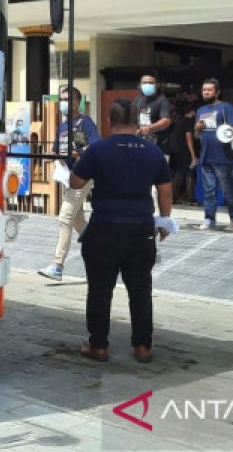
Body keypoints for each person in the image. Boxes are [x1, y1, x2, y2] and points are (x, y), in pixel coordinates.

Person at [70, 98, 173, 364]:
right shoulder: (153, 153)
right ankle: (142, 347)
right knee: (140, 290)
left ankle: (99, 346)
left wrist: (83, 164)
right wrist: (164, 221)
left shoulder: (97, 150)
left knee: (100, 290)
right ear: (137, 121)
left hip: (104, 226)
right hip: (141, 228)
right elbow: (165, 190)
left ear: (110, 121)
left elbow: (75, 181)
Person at [38, 86, 101, 280]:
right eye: (62, 100)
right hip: (67, 176)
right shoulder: (62, 126)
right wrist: (52, 156)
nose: (63, 103)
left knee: (64, 217)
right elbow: (58, 149)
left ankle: (57, 266)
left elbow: (96, 144)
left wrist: (78, 153)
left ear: (76, 102)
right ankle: (101, 247)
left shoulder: (85, 122)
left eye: (67, 99)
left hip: (82, 176)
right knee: (76, 218)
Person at [193, 78, 233, 231]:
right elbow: (198, 136)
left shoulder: (226, 107)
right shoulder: (201, 110)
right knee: (208, 191)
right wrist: (197, 128)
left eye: (209, 89)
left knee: (229, 190)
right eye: (204, 90)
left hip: (223, 157)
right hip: (205, 157)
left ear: (217, 92)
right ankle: (209, 219)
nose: (206, 92)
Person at [130, 71, 172, 147]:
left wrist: (150, 128)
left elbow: (166, 121)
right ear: (140, 85)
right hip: (141, 142)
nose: (147, 85)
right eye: (144, 83)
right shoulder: (137, 100)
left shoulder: (162, 100)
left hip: (159, 144)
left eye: (150, 83)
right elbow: (130, 117)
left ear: (157, 85)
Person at [169, 98, 197, 204]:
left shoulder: (179, 121)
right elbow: (189, 138)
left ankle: (174, 197)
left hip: (176, 151)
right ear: (191, 111)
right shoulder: (189, 122)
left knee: (180, 173)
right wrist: (193, 155)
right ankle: (188, 197)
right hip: (185, 151)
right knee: (186, 173)